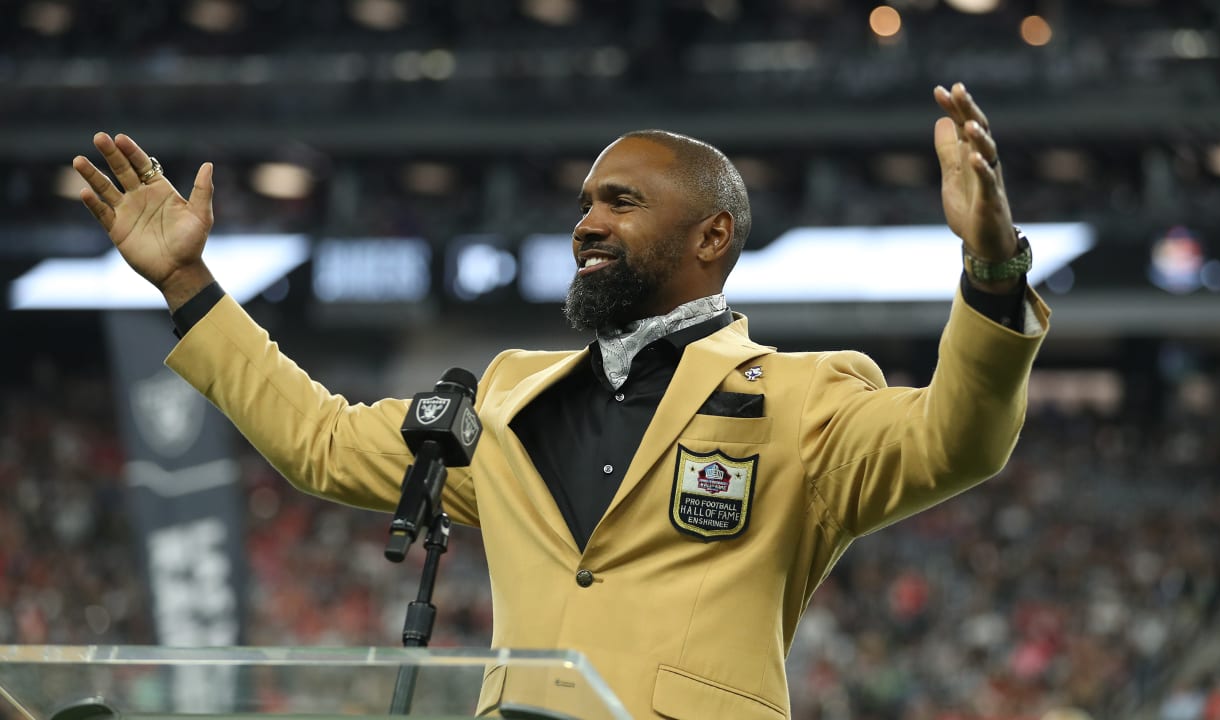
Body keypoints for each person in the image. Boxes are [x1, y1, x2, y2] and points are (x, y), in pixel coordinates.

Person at [73, 83, 1049, 719]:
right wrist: (188, 285)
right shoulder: (504, 394)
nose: (585, 222)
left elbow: (955, 438)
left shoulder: (806, 400)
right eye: (584, 200)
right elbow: (321, 442)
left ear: (711, 237)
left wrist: (991, 265)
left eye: (620, 201)